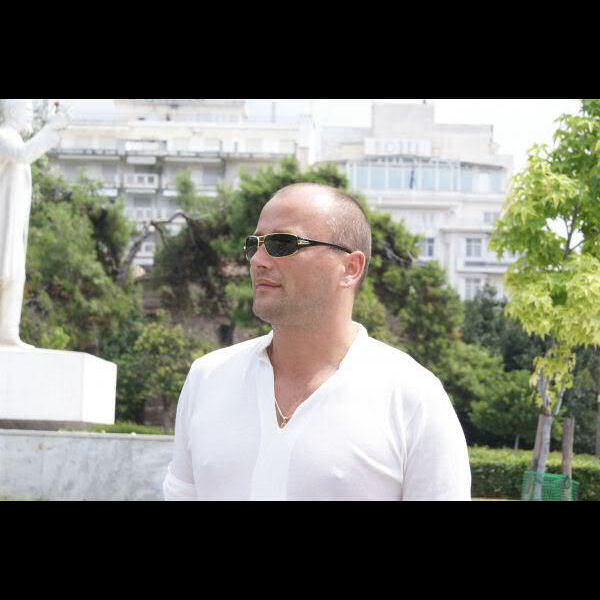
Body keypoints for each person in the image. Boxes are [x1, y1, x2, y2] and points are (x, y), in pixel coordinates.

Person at [163, 183, 471, 500]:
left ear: (350, 268)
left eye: (282, 244)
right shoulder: (207, 378)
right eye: (254, 244)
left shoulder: (413, 398)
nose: (257, 260)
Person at [0, 99, 69, 348]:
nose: (30, 116)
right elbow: (24, 154)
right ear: (13, 111)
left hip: (14, 223)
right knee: (5, 274)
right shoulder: (3, 136)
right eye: (27, 110)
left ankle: (8, 333)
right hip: (3, 221)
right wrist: (50, 129)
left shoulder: (15, 139)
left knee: (15, 274)